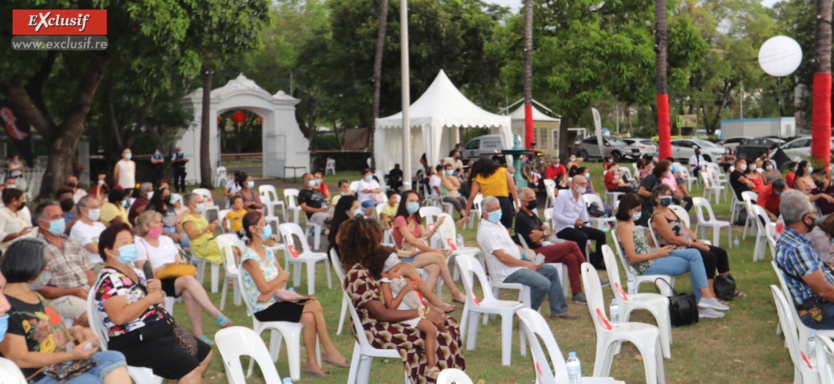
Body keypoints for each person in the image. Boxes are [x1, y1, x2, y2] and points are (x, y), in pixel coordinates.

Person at [338, 217, 465, 383]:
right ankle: (433, 378)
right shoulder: (357, 274)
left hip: (393, 317)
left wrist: (429, 309)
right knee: (441, 336)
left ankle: (450, 380)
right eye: (375, 241)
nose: (378, 244)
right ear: (363, 246)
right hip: (375, 329)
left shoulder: (369, 263)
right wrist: (423, 312)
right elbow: (382, 314)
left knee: (450, 325)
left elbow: (400, 293)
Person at [0, 239, 131, 384]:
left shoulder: (34, 295)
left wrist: (76, 330)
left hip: (63, 365)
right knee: (91, 381)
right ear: (29, 265)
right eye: (45, 265)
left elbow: (51, 328)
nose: (49, 269)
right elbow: (18, 358)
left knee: (114, 358)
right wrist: (70, 355)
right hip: (40, 375)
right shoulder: (6, 307)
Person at [93, 223, 213, 382]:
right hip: (135, 340)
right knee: (190, 369)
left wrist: (158, 293)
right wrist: (149, 299)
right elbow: (119, 317)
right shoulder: (109, 280)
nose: (130, 245)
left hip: (161, 330)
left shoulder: (134, 272)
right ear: (108, 250)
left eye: (131, 241)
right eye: (124, 242)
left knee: (204, 353)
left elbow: (157, 304)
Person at [239, 211, 349, 377]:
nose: (268, 226)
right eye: (263, 223)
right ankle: (329, 350)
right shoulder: (249, 257)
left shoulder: (267, 251)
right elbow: (267, 285)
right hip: (264, 308)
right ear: (252, 229)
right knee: (315, 304)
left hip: (276, 299)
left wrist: (272, 288)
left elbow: (283, 280)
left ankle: (312, 363)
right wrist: (273, 285)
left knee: (310, 317)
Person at [615, 193, 730, 318]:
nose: (639, 213)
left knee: (695, 253)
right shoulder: (624, 228)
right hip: (647, 265)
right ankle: (703, 301)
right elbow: (632, 257)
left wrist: (658, 250)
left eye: (640, 210)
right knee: (695, 261)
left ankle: (704, 300)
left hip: (653, 256)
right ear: (627, 209)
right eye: (636, 210)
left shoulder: (629, 223)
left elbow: (641, 247)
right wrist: (657, 253)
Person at [134, 211, 232, 346]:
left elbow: (179, 260)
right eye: (157, 222)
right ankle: (215, 314)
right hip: (157, 282)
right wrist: (162, 268)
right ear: (146, 226)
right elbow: (144, 272)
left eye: (160, 222)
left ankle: (199, 335)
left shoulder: (166, 240)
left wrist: (178, 266)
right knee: (188, 281)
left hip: (176, 278)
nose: (161, 225)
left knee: (188, 291)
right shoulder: (140, 246)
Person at [479, 195, 579, 319]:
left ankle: (559, 311)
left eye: (498, 208)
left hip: (517, 265)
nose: (497, 211)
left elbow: (512, 245)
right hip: (507, 271)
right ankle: (526, 316)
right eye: (492, 210)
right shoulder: (486, 231)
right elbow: (502, 257)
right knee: (543, 284)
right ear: (484, 213)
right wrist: (526, 264)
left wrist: (531, 258)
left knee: (551, 271)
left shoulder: (496, 224)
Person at [651, 184, 744, 300]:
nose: (667, 197)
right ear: (656, 198)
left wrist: (697, 240)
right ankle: (710, 294)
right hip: (677, 248)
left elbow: (685, 228)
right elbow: (672, 239)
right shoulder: (658, 216)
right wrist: (694, 244)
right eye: (663, 195)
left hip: (688, 244)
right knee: (710, 257)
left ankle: (729, 288)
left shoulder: (670, 210)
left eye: (669, 194)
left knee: (721, 252)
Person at [514, 188, 597, 304]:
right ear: (522, 201)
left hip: (541, 251)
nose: (534, 200)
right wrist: (544, 234)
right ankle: (588, 273)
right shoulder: (522, 218)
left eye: (534, 197)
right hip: (535, 257)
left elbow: (547, 231)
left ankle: (577, 293)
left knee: (571, 258)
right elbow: (538, 242)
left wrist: (542, 234)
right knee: (572, 245)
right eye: (531, 198)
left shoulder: (532, 215)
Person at [376, 249, 446, 379]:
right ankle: (431, 367)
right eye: (395, 271)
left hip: (413, 310)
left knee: (438, 321)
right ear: (384, 274)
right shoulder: (386, 283)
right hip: (404, 315)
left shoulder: (397, 279)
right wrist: (404, 290)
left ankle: (437, 360)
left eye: (399, 269)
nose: (399, 274)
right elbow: (391, 306)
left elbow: (413, 298)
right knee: (431, 329)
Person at [773, 189, 834, 329]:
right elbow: (824, 291)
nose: (816, 216)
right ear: (806, 218)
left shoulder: (788, 237)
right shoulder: (798, 249)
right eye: (814, 213)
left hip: (819, 304)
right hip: (817, 312)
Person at [393, 190, 466, 303]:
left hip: (418, 255)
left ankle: (423, 301)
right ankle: (455, 292)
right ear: (404, 202)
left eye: (417, 201)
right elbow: (412, 240)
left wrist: (436, 226)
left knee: (435, 268)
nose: (415, 203)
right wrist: (434, 250)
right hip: (405, 257)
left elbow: (425, 237)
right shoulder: (400, 220)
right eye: (411, 201)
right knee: (439, 257)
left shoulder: (416, 218)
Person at [32, 202, 94, 327]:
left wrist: (96, 292)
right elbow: (39, 287)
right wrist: (73, 291)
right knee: (91, 316)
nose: (61, 220)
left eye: (61, 216)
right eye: (55, 217)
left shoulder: (72, 242)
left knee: (109, 307)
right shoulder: (37, 249)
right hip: (60, 297)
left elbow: (89, 272)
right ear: (42, 223)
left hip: (85, 292)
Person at [552, 175, 607, 269]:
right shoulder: (563, 197)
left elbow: (585, 219)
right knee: (582, 237)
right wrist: (573, 221)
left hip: (576, 226)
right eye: (582, 184)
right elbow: (556, 215)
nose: (584, 186)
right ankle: (581, 264)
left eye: (585, 183)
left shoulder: (581, 198)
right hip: (562, 228)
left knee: (601, 234)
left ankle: (598, 261)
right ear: (574, 185)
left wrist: (589, 241)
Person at [462, 158, 519, 231]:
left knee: (489, 229)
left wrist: (466, 214)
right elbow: (513, 189)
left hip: (489, 204)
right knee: (507, 230)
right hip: (504, 203)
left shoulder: (478, 177)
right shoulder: (503, 171)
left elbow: (471, 197)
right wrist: (517, 206)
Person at [181, 193, 222, 265]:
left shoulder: (200, 216)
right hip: (201, 247)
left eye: (202, 202)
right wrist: (206, 228)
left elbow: (208, 233)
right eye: (199, 202)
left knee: (233, 247)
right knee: (228, 247)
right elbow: (191, 236)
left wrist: (212, 226)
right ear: (190, 204)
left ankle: (234, 273)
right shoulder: (188, 219)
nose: (202, 204)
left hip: (209, 242)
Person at [70, 196, 107, 271]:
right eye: (93, 207)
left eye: (98, 207)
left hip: (106, 263)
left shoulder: (100, 225)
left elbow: (113, 244)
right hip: (91, 266)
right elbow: (94, 249)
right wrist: (107, 245)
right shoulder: (78, 227)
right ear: (83, 209)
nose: (97, 210)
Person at [148, 180, 186, 245]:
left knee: (188, 240)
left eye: (168, 194)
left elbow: (175, 223)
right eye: (165, 194)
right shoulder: (153, 208)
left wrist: (180, 233)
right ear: (159, 195)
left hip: (174, 231)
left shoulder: (170, 206)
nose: (167, 196)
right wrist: (170, 236)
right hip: (161, 233)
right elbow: (155, 226)